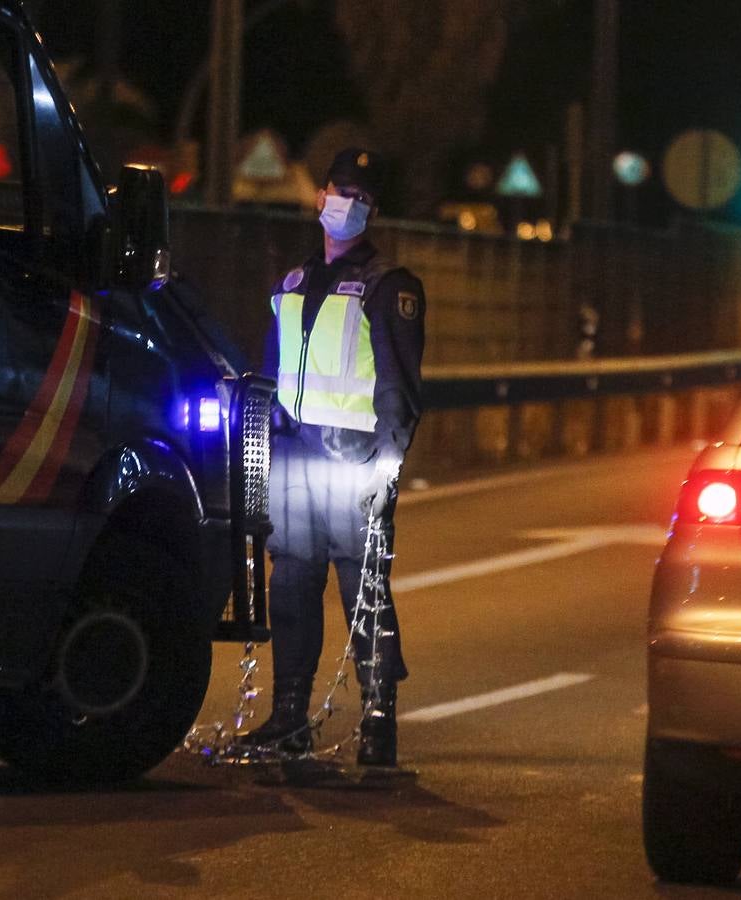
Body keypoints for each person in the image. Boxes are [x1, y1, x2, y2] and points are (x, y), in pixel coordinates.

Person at [245, 148, 425, 768]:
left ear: (371, 210)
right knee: (291, 589)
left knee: (364, 591)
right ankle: (289, 717)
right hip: (295, 461)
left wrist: (388, 469)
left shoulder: (388, 287)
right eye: (338, 189)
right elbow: (270, 379)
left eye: (360, 194)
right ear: (320, 198)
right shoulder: (289, 285)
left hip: (355, 464)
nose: (345, 201)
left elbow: (400, 390)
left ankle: (379, 722)